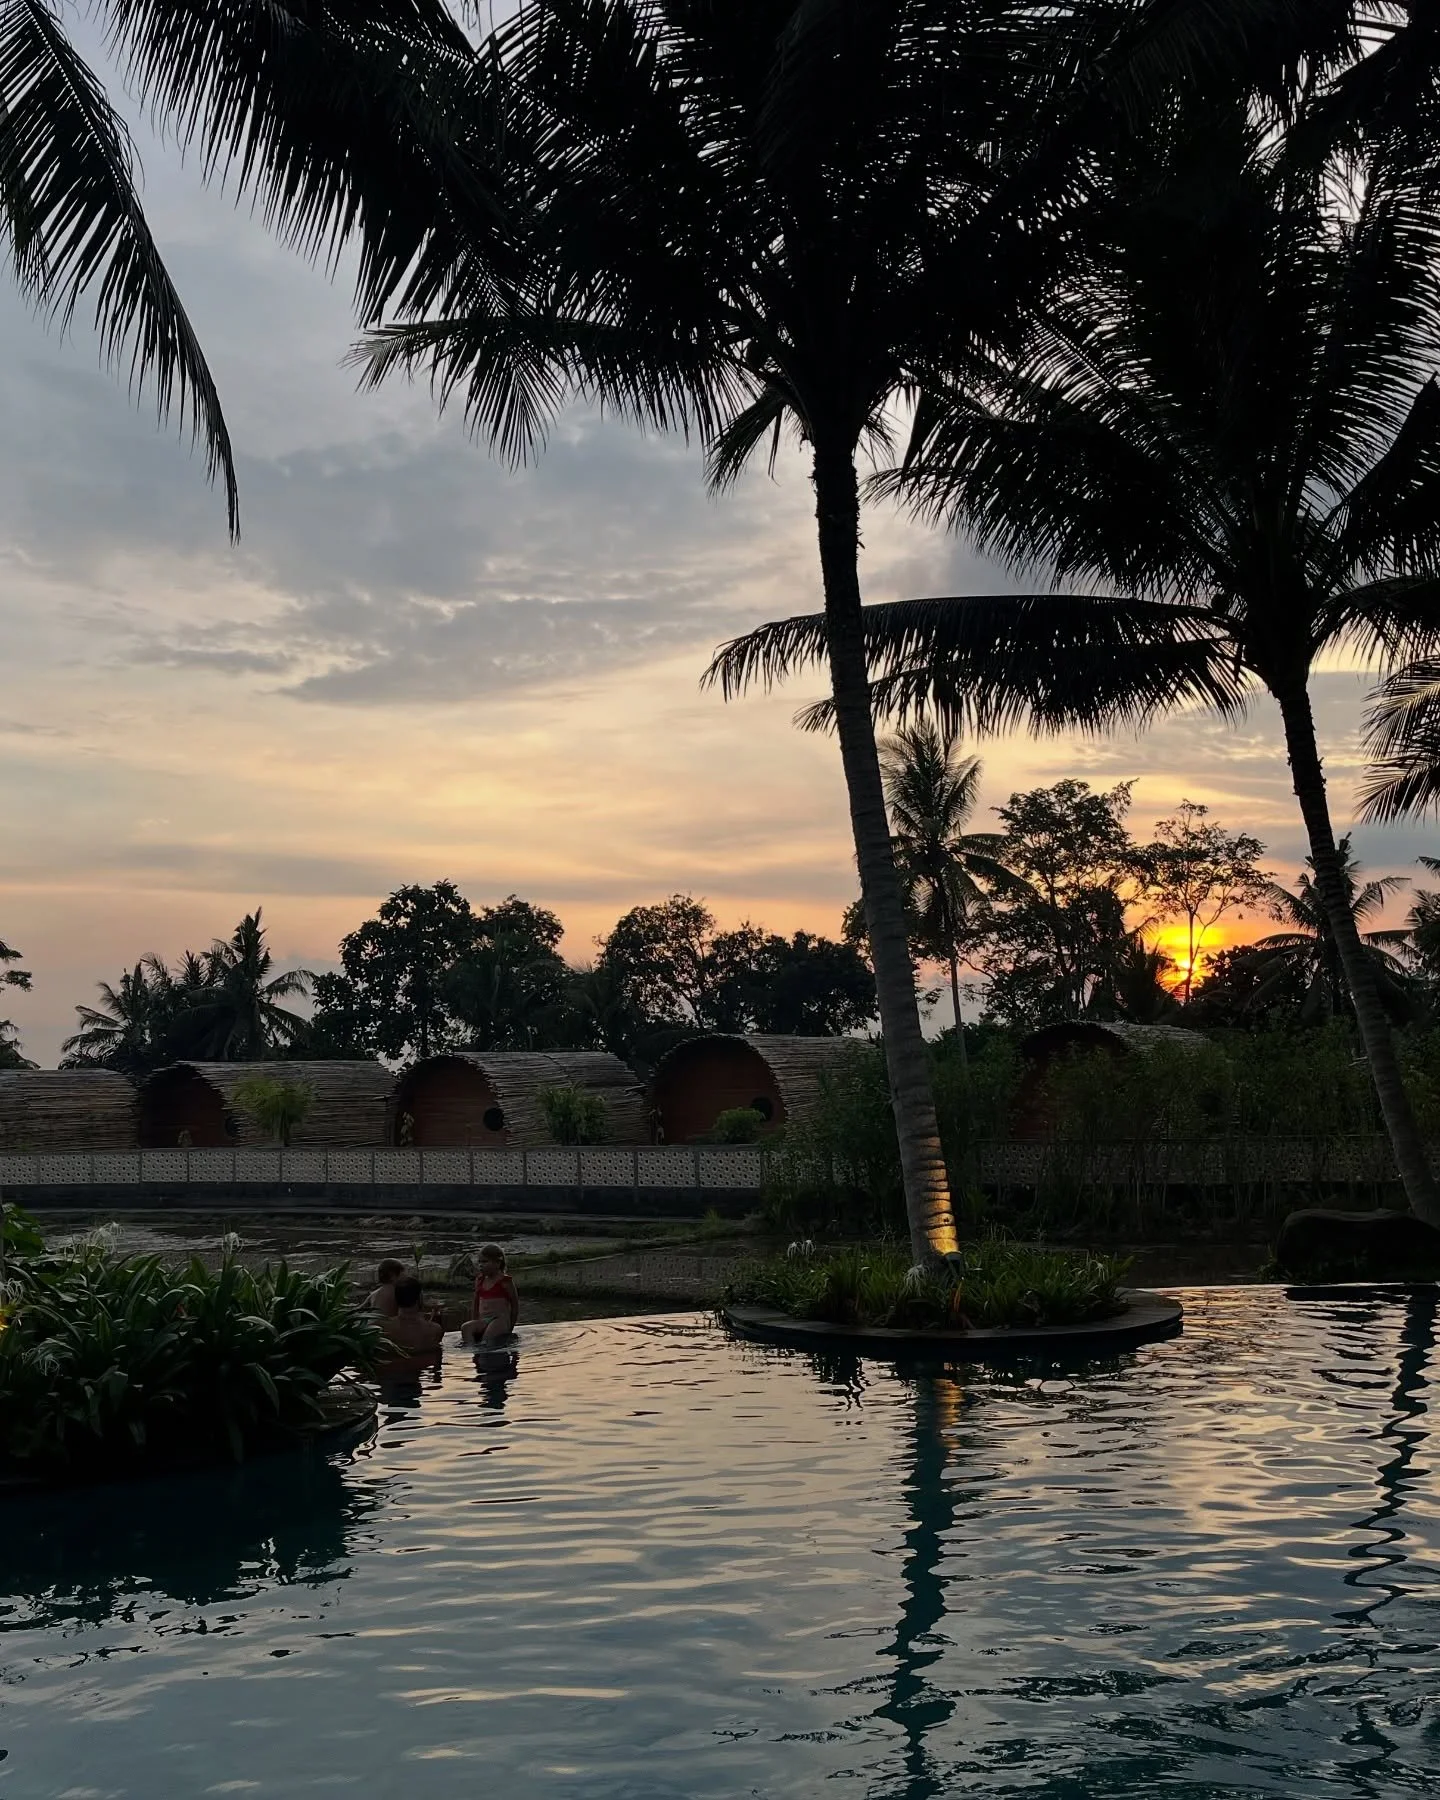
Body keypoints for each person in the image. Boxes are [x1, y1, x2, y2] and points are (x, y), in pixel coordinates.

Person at [461, 1244, 519, 1347]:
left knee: (486, 1341)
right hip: (484, 1320)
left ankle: (483, 1347)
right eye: (479, 1262)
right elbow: (475, 1302)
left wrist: (510, 1327)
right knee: (466, 1327)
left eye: (485, 1262)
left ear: (497, 1263)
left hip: (499, 1320)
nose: (480, 1265)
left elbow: (515, 1305)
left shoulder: (505, 1281)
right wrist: (475, 1320)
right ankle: (472, 1349)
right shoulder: (480, 1280)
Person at [381, 1277, 445, 1360]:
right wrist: (436, 1314)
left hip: (390, 1371)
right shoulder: (434, 1330)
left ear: (395, 1298)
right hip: (420, 1372)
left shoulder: (380, 1328)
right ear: (419, 1298)